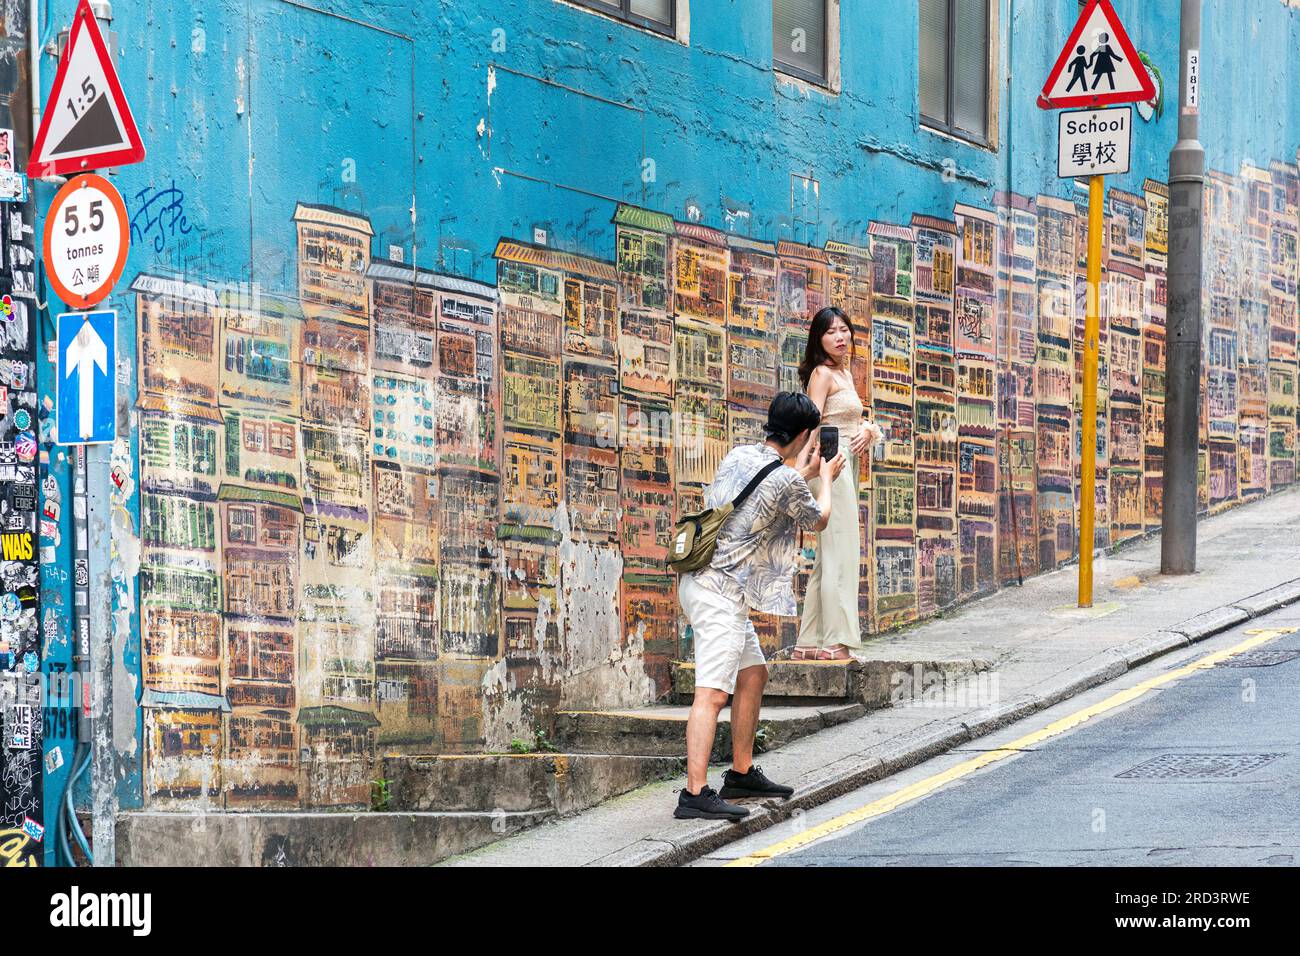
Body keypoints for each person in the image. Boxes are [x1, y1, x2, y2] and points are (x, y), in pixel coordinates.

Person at [675, 392, 845, 821]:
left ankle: (742, 771)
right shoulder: (788, 479)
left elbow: (763, 497)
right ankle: (694, 793)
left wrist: (799, 472)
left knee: (753, 673)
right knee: (713, 694)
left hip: (700, 580)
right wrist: (825, 478)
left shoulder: (740, 455)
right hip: (720, 594)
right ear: (806, 434)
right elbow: (818, 519)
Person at [792, 307, 883, 661]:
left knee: (828, 557)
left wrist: (868, 429)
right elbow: (811, 423)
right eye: (831, 332)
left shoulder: (845, 373)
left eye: (844, 330)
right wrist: (805, 469)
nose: (840, 337)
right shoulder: (822, 374)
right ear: (819, 339)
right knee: (842, 553)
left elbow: (854, 419)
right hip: (830, 464)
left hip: (845, 463)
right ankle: (835, 642)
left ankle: (808, 643)